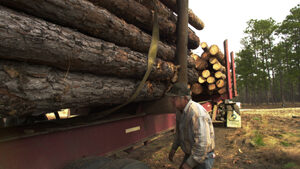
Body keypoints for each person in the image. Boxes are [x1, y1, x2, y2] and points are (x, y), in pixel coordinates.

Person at [166, 83, 215, 169]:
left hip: (203, 157)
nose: (171, 101)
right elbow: (179, 132)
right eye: (171, 98)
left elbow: (202, 143)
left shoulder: (196, 113)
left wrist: (189, 164)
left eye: (174, 98)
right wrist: (174, 148)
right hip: (191, 154)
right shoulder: (180, 111)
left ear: (185, 98)